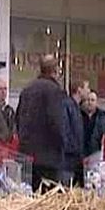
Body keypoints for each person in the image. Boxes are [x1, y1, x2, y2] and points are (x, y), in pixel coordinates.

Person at [17, 55, 67, 192]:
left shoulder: (27, 90)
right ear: (55, 70)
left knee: (32, 198)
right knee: (48, 202)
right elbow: (56, 122)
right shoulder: (54, 91)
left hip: (28, 156)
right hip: (49, 158)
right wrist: (62, 144)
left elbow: (19, 119)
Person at [62, 80, 88, 186]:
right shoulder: (68, 106)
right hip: (68, 160)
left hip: (74, 160)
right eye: (87, 88)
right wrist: (73, 150)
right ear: (79, 90)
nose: (88, 91)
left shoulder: (76, 107)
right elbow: (66, 131)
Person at [82, 91, 105, 157]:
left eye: (92, 100)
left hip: (96, 152)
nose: (90, 102)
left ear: (96, 102)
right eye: (88, 100)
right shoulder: (79, 115)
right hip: (81, 153)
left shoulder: (102, 116)